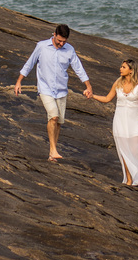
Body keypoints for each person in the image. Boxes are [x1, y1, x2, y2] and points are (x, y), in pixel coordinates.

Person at [14, 24, 92, 161]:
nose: (61, 44)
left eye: (64, 41)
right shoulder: (42, 46)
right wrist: (19, 81)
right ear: (54, 35)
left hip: (62, 90)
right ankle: (53, 150)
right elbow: (30, 63)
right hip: (45, 88)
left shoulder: (69, 50)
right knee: (53, 116)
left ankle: (52, 153)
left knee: (59, 122)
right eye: (59, 41)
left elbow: (78, 68)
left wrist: (88, 85)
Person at [91, 59, 138, 190]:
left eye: (123, 67)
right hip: (120, 121)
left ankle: (137, 174)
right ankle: (129, 179)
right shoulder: (117, 83)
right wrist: (92, 96)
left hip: (134, 122)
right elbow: (107, 98)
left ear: (131, 70)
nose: (120, 69)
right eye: (121, 66)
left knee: (134, 149)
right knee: (123, 151)